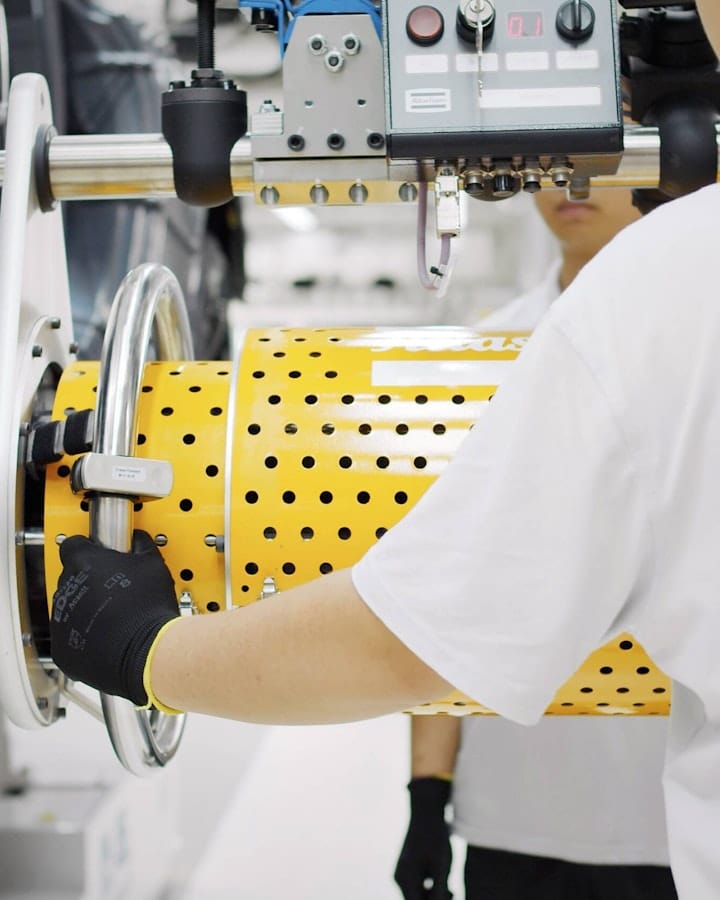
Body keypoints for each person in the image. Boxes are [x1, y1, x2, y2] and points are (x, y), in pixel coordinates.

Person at [49, 2, 720, 896]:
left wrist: (145, 652)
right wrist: (429, 794)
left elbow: (423, 638)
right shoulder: (611, 311)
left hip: (646, 827)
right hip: (534, 811)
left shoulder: (660, 291)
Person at [393, 188, 679, 900]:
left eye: (602, 160)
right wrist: (427, 793)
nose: (573, 186)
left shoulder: (699, 341)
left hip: (679, 814)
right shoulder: (486, 356)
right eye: (559, 164)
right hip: (514, 811)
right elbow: (440, 592)